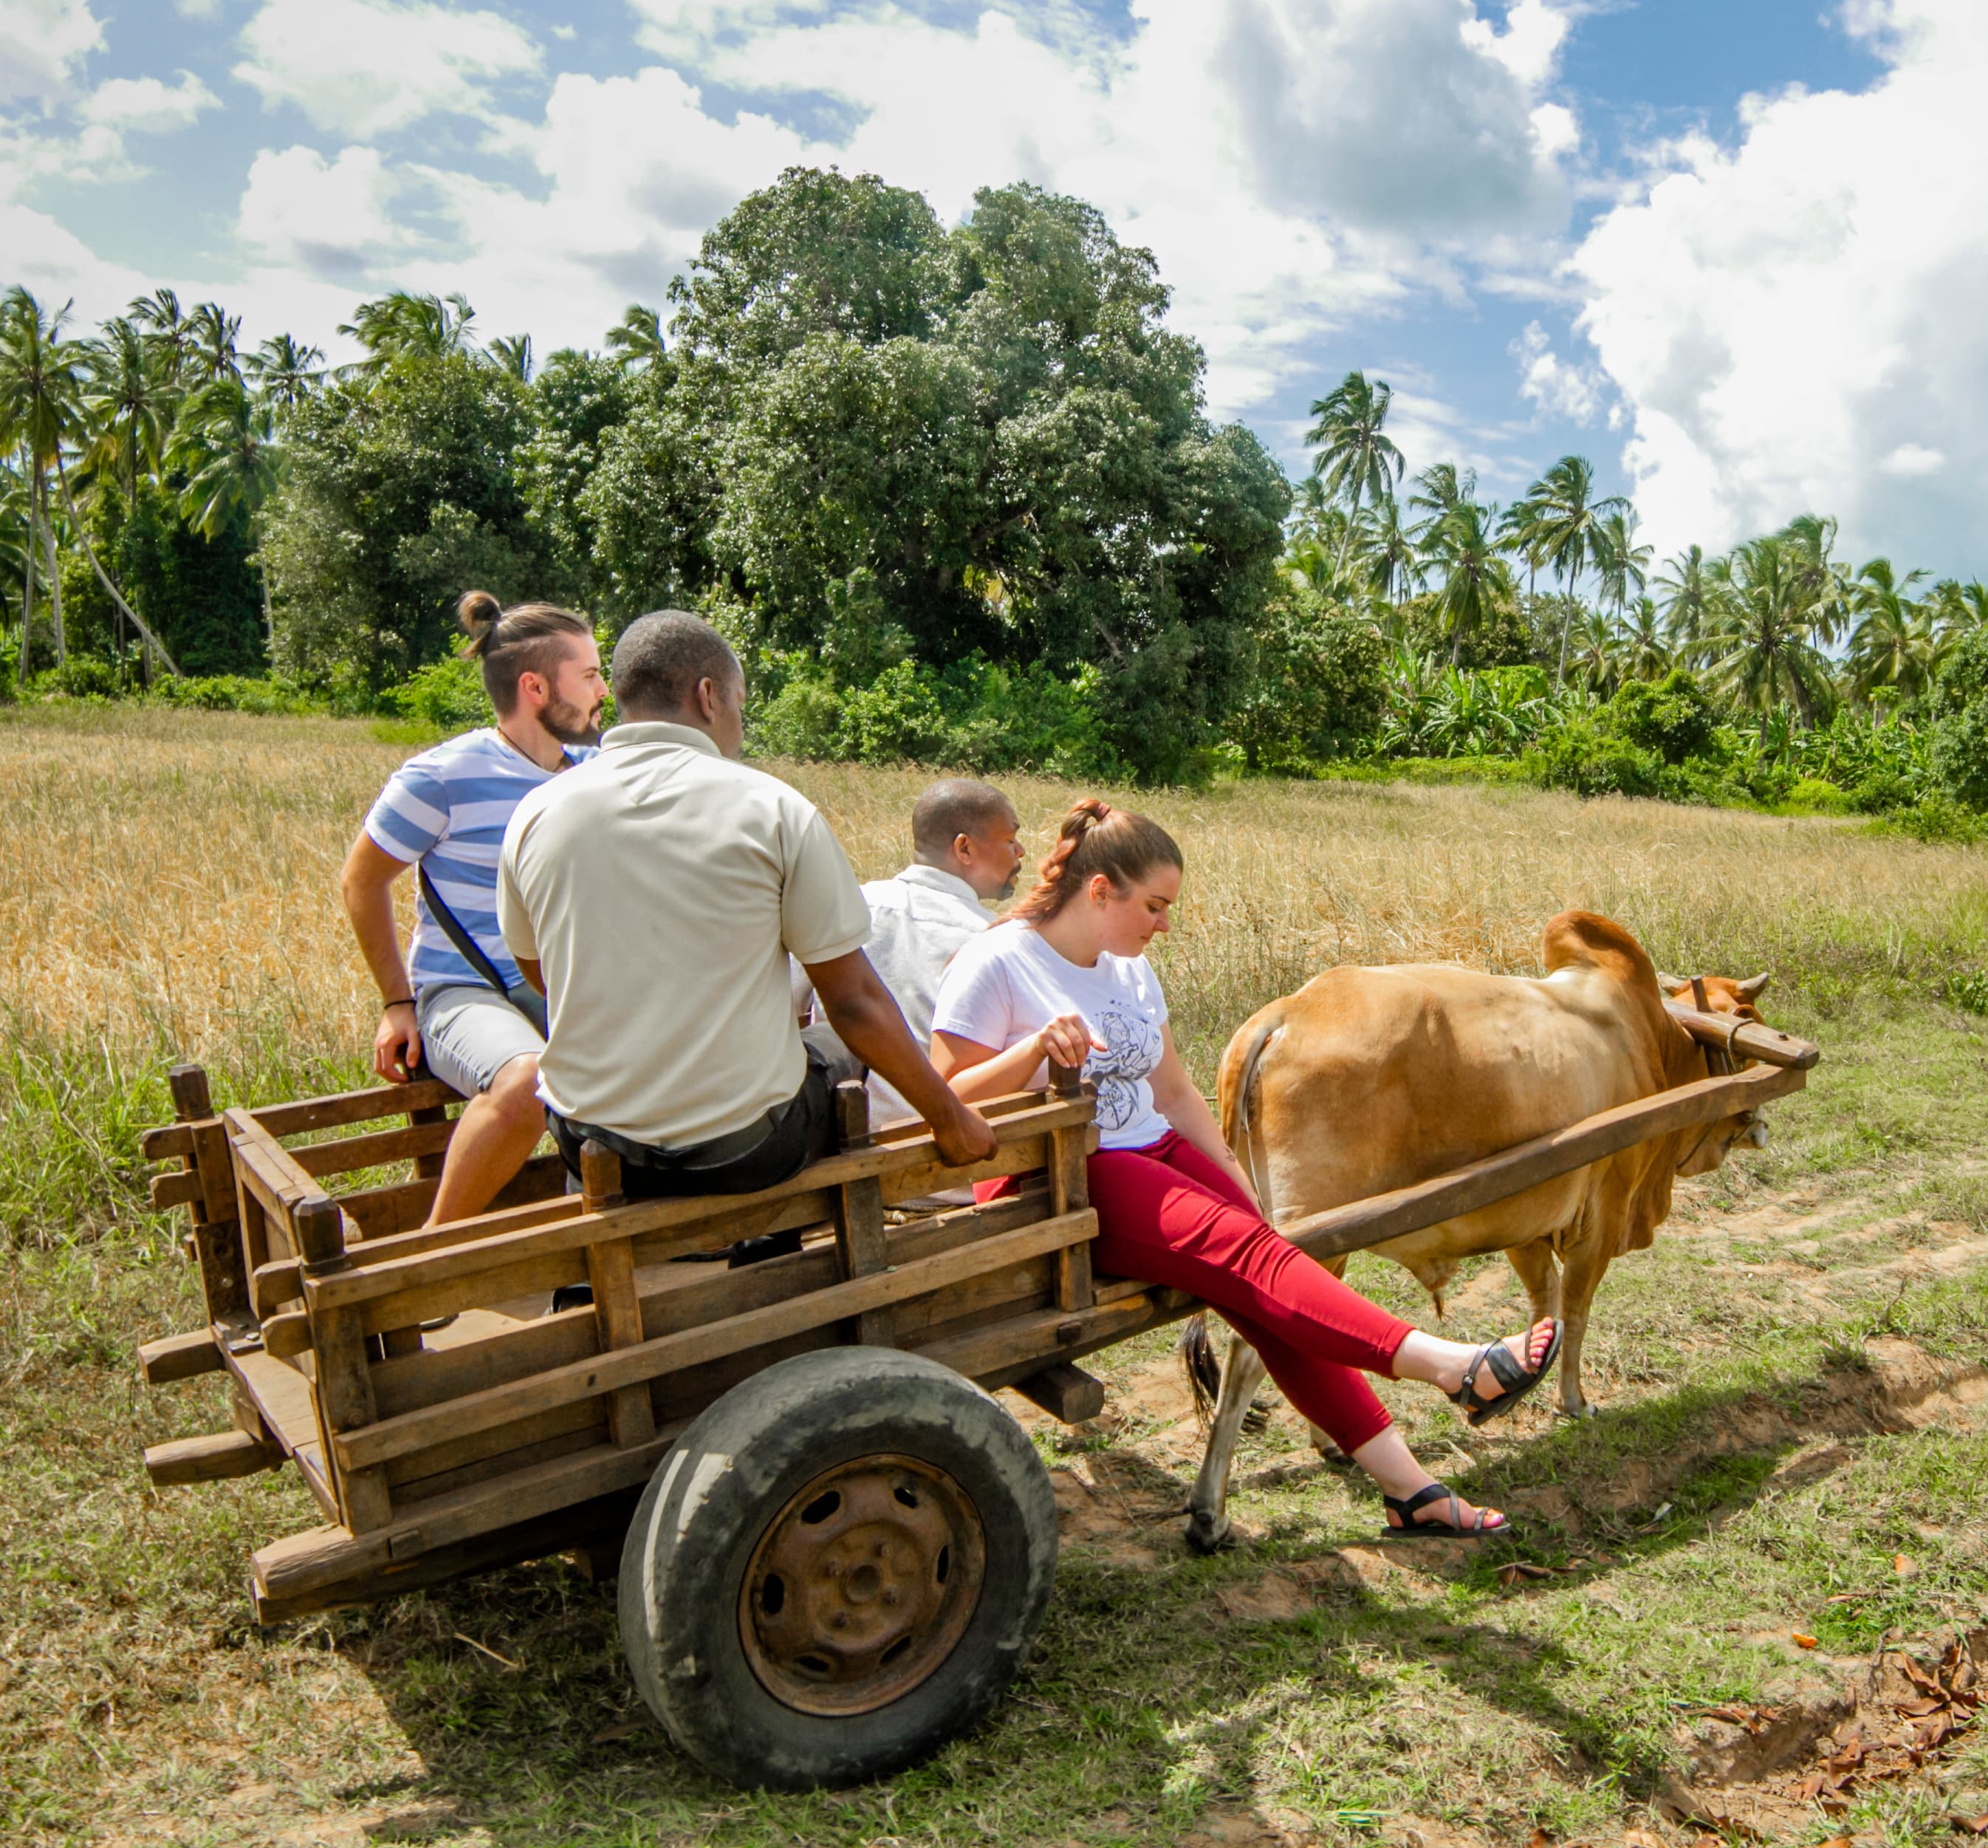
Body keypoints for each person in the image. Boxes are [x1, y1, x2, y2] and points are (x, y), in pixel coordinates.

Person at [930, 800, 1558, 1539]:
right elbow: (940, 1104)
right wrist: (1033, 1050)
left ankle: (1410, 1491)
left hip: (1151, 1151)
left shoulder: (1129, 971)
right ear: (1099, 890)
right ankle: (1453, 1367)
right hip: (1065, 1172)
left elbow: (1171, 1092)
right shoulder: (1000, 959)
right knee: (1256, 1259)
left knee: (1271, 1275)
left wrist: (1234, 1181)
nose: (1164, 925)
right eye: (1154, 906)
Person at [496, 612, 995, 1216]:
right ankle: (773, 1238)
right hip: (744, 1151)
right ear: (708, 697)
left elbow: (539, 970)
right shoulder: (774, 810)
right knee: (839, 1043)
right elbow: (855, 1001)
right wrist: (949, 1118)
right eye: (738, 700)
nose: (738, 719)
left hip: (589, 1142)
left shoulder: (536, 813)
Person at [339, 592, 602, 1228]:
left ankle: (596, 1247)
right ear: (535, 686)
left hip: (564, 986)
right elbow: (361, 881)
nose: (604, 692)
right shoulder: (442, 776)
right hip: (466, 991)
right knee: (525, 1081)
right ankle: (435, 1251)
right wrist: (396, 1003)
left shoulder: (598, 768)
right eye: (591, 675)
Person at [792, 778, 1024, 1130]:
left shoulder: (849, 906)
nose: (1020, 851)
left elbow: (784, 1009)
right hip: (957, 1152)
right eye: (1010, 839)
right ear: (964, 849)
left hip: (845, 1144)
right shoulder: (997, 939)